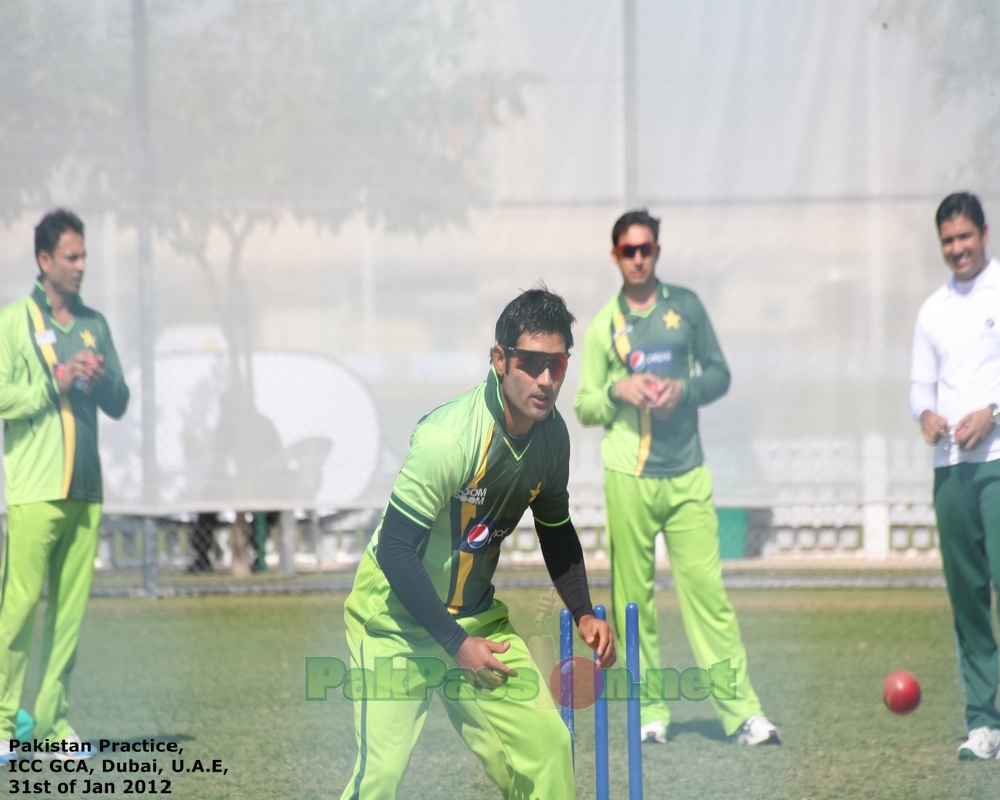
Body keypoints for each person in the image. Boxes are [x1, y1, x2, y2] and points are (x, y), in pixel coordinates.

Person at [339, 288, 614, 800]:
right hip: (393, 624)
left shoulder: (552, 439)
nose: (546, 379)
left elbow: (556, 529)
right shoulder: (449, 438)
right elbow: (395, 549)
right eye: (531, 363)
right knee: (379, 779)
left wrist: (583, 612)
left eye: (557, 364)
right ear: (499, 359)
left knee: (549, 749)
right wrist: (454, 644)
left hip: (476, 620)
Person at [574, 209, 779, 746]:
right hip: (629, 476)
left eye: (646, 249)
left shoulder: (685, 308)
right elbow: (585, 405)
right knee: (632, 603)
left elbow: (719, 375)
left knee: (708, 596)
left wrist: (681, 390)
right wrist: (621, 391)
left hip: (687, 474)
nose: (638, 258)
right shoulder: (603, 326)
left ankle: (743, 715)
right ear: (615, 256)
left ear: (657, 251)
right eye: (628, 251)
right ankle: (649, 713)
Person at [0, 209, 129, 762]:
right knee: (19, 609)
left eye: (84, 256)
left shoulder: (95, 324)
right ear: (44, 260)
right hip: (34, 491)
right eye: (71, 257)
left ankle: (52, 725)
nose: (81, 266)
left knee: (69, 616)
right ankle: (4, 723)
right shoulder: (12, 322)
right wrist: (57, 381)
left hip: (86, 490)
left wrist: (97, 381)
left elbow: (120, 402)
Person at [910, 192, 1000, 760]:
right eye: (947, 240)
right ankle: (983, 723)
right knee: (968, 599)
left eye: (964, 237)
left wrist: (992, 411)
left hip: (996, 465)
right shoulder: (933, 309)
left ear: (984, 234)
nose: (957, 248)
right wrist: (927, 415)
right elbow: (922, 385)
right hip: (951, 475)